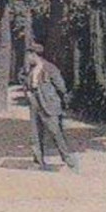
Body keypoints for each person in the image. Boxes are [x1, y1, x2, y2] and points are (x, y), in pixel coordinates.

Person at [24, 41, 79, 171]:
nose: (28, 58)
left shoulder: (50, 68)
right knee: (35, 134)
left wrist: (59, 101)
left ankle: (69, 161)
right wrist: (27, 93)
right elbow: (26, 83)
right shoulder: (30, 70)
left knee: (56, 133)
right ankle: (38, 162)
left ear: (35, 55)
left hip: (49, 104)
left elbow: (61, 87)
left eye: (29, 55)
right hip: (35, 103)